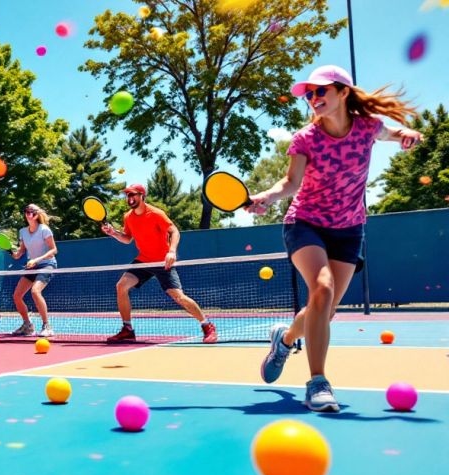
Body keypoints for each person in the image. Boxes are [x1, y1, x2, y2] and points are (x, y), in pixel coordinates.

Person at [248, 65, 421, 413]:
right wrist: (266, 196)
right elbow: (291, 183)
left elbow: (392, 131)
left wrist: (407, 133)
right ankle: (317, 382)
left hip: (348, 228)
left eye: (320, 91)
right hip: (305, 223)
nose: (313, 99)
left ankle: (283, 340)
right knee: (322, 288)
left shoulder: (367, 127)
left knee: (322, 312)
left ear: (343, 92)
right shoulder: (304, 139)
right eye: (309, 94)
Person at [102, 184, 218, 344]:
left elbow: (174, 231)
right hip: (143, 260)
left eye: (133, 195)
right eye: (127, 195)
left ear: (142, 195)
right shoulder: (128, 217)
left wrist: (172, 251)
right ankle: (127, 330)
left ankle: (207, 325)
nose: (130, 198)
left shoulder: (156, 214)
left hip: (162, 260)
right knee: (121, 286)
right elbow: (127, 238)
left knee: (178, 296)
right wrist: (113, 233)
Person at [9, 204, 58, 338]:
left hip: (47, 264)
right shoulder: (23, 232)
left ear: (36, 214)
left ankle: (47, 326)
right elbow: (19, 254)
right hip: (32, 267)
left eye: (31, 211)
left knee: (35, 291)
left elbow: (54, 250)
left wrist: (36, 260)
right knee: (17, 296)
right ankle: (27, 325)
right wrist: (10, 252)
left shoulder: (44, 229)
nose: (28, 214)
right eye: (26, 211)